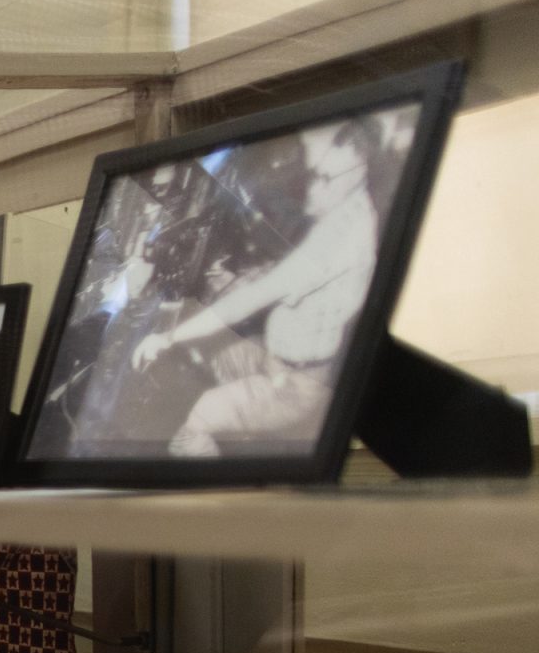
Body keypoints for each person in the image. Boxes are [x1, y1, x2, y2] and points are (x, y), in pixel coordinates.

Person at [130, 119, 394, 455]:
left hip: (295, 386)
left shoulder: (342, 239)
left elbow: (249, 300)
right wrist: (263, 272)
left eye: (324, 177)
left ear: (360, 164)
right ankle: (243, 433)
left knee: (198, 418)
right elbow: (303, 273)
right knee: (210, 354)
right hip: (279, 359)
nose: (315, 188)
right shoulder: (354, 206)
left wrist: (165, 337)